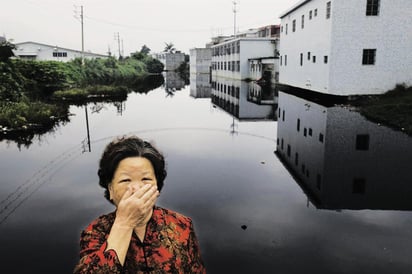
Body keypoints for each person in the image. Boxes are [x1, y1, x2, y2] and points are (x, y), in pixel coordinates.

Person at [74, 135, 206, 273]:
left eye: (146, 178)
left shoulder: (182, 225)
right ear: (110, 189)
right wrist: (124, 223)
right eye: (125, 180)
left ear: (157, 187)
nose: (136, 188)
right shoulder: (95, 233)